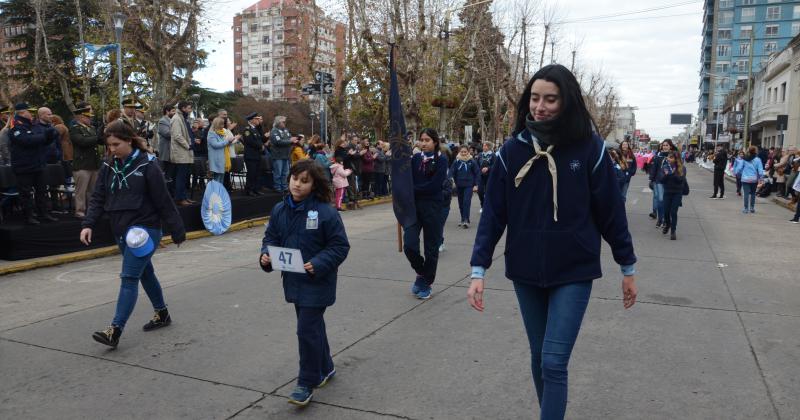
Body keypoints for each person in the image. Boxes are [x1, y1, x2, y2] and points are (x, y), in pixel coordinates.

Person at [467, 64, 637, 420]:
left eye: (550, 99)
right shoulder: (510, 152)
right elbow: (494, 214)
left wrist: (628, 266)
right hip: (526, 268)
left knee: (554, 361)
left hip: (574, 269)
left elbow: (611, 212)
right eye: (534, 97)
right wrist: (478, 268)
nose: (539, 106)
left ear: (567, 102)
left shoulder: (589, 149)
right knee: (538, 357)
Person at [81, 119, 185, 348]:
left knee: (129, 277)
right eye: (109, 145)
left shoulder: (148, 164)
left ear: (129, 141)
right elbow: (98, 198)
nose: (112, 149)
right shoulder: (109, 165)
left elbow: (163, 200)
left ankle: (114, 330)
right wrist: (87, 224)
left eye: (116, 144)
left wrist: (177, 229)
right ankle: (162, 313)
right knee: (145, 273)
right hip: (120, 228)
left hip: (144, 229)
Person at [259, 159, 350, 406]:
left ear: (314, 184)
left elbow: (340, 246)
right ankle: (326, 367)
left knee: (306, 330)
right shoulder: (280, 209)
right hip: (293, 280)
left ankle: (306, 382)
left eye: (304, 181)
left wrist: (319, 263)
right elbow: (271, 237)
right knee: (312, 327)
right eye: (294, 179)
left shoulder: (326, 212)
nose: (297, 185)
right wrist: (266, 255)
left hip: (318, 281)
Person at [404, 128, 448, 300]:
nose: (423, 143)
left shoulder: (441, 160)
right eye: (421, 139)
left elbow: (434, 186)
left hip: (433, 208)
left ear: (435, 142)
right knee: (410, 245)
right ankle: (422, 273)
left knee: (431, 248)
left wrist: (412, 190)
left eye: (427, 140)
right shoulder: (415, 159)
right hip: (414, 209)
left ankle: (427, 283)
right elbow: (405, 178)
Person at [9, 103, 59, 224]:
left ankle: (44, 213)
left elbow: (42, 140)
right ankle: (29, 216)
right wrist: (44, 136)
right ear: (21, 113)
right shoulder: (15, 125)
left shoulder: (32, 124)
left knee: (41, 191)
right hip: (24, 166)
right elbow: (26, 140)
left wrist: (51, 135)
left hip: (38, 163)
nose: (31, 114)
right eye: (29, 111)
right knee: (26, 193)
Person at [69, 104, 102, 218]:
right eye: (87, 117)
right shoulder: (75, 129)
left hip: (93, 163)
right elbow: (82, 141)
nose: (90, 118)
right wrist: (97, 137)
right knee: (81, 191)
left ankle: (92, 210)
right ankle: (80, 211)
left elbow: (99, 141)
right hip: (82, 164)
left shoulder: (92, 128)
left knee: (92, 190)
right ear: (80, 117)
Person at [169, 101, 195, 206]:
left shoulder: (182, 118)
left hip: (185, 152)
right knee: (180, 177)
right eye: (189, 108)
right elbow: (177, 135)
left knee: (184, 176)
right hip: (181, 152)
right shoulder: (176, 118)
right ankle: (179, 199)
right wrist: (188, 145)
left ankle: (184, 197)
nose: (190, 110)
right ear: (183, 108)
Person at [450, 145, 479, 228]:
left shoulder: (472, 161)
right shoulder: (457, 161)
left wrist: (476, 185)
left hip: (469, 185)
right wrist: (450, 179)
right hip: (459, 185)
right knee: (461, 203)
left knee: (466, 202)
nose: (463, 153)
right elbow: (451, 171)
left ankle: (466, 220)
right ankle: (463, 219)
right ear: (460, 152)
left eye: (465, 152)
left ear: (468, 152)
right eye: (462, 152)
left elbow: (477, 173)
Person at [649, 139, 675, 227]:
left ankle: (665, 219)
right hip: (659, 181)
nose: (665, 147)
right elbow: (654, 168)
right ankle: (661, 219)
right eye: (663, 145)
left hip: (670, 181)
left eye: (667, 145)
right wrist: (651, 179)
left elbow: (678, 167)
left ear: (670, 146)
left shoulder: (674, 156)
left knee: (667, 201)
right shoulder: (658, 156)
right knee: (660, 199)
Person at [661, 151, 687, 240]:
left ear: (676, 159)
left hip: (677, 193)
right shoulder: (665, 167)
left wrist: (673, 174)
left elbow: (681, 180)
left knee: (673, 212)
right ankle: (668, 224)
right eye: (668, 157)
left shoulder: (682, 168)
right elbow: (662, 180)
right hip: (667, 192)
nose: (669, 159)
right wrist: (666, 175)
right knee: (666, 212)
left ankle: (673, 231)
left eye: (671, 157)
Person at [207, 117, 239, 183]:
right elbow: (215, 145)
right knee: (216, 180)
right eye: (221, 124)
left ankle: (219, 192)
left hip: (222, 159)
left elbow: (223, 144)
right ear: (217, 124)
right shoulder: (211, 134)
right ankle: (215, 193)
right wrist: (227, 141)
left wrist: (231, 140)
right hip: (216, 160)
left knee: (221, 180)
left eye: (223, 124)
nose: (223, 126)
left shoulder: (221, 133)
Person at [734, 145, 764, 214]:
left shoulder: (744, 159)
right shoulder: (758, 160)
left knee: (746, 194)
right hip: (754, 179)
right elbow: (760, 170)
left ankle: (745, 208)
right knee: (753, 193)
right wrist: (761, 178)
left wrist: (736, 173)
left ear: (748, 151)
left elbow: (739, 168)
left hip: (745, 179)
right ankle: (752, 208)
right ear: (755, 151)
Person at [242, 112, 266, 196]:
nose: (258, 120)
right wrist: (260, 146)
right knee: (251, 173)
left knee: (257, 173)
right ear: (252, 120)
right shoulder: (247, 130)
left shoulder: (255, 129)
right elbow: (250, 141)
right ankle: (249, 190)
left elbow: (260, 139)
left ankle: (255, 189)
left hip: (257, 155)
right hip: (250, 155)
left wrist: (262, 144)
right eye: (256, 119)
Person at [155, 105, 176, 194]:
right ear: (167, 111)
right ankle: (165, 193)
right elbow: (167, 134)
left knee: (171, 174)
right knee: (166, 174)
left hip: (173, 152)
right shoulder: (163, 121)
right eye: (173, 111)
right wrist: (177, 130)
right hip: (166, 152)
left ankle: (171, 192)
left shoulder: (172, 121)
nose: (175, 113)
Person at [270, 116, 292, 193]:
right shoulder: (274, 131)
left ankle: (284, 187)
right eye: (283, 122)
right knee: (278, 173)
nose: (284, 123)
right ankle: (278, 187)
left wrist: (291, 140)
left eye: (285, 122)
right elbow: (278, 142)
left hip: (286, 155)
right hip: (278, 156)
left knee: (285, 173)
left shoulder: (286, 130)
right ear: (278, 123)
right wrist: (290, 141)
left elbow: (289, 138)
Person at [476, 142, 495, 211]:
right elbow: (477, 164)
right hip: (481, 176)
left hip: (489, 176)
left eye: (485, 146)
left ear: (489, 147)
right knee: (480, 191)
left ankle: (487, 206)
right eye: (483, 146)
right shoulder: (480, 155)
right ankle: (482, 205)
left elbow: (495, 165)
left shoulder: (493, 155)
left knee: (488, 191)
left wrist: (488, 168)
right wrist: (478, 171)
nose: (483, 147)